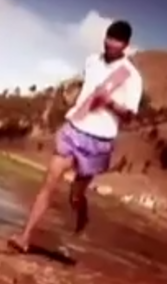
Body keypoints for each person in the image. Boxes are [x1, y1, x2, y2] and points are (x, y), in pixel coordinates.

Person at [8, 20, 143, 253]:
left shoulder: (131, 76)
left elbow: (130, 116)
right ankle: (25, 237)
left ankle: (82, 212)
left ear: (126, 45)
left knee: (75, 195)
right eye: (109, 38)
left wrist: (109, 103)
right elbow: (85, 86)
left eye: (117, 41)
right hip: (75, 128)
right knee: (50, 182)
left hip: (99, 140)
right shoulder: (92, 61)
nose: (111, 44)